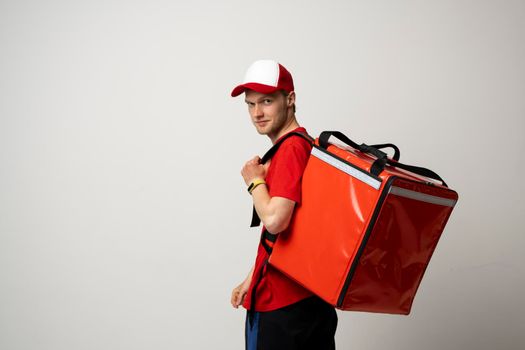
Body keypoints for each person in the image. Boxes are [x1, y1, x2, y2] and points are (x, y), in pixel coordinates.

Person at [230, 59, 338, 350]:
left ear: (290, 99)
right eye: (250, 104)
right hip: (309, 297)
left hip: (282, 307)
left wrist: (255, 181)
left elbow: (277, 220)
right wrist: (251, 278)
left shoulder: (290, 148)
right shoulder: (304, 144)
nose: (257, 113)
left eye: (266, 101)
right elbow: (283, 236)